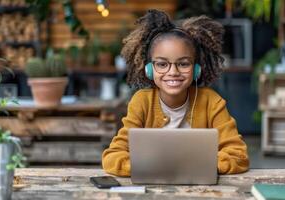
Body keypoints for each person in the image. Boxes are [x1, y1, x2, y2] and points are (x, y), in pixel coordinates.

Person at [102, 9, 249, 177]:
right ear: (149, 69)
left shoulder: (211, 102)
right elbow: (112, 157)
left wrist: (204, 166)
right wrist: (147, 168)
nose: (173, 72)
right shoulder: (141, 102)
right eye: (162, 64)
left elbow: (238, 154)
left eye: (183, 64)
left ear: (196, 69)